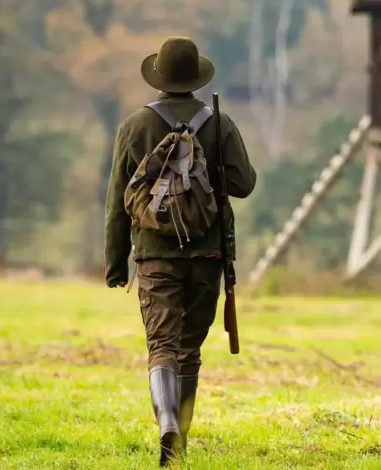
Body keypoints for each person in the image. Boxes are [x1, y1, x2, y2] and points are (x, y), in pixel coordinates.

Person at [103, 36, 257, 466]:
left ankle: (167, 422)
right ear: (196, 77)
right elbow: (244, 184)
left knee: (162, 345)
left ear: (159, 76)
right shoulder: (219, 123)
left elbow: (118, 200)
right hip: (208, 255)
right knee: (190, 347)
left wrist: (116, 263)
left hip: (154, 256)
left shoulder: (134, 126)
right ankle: (181, 436)